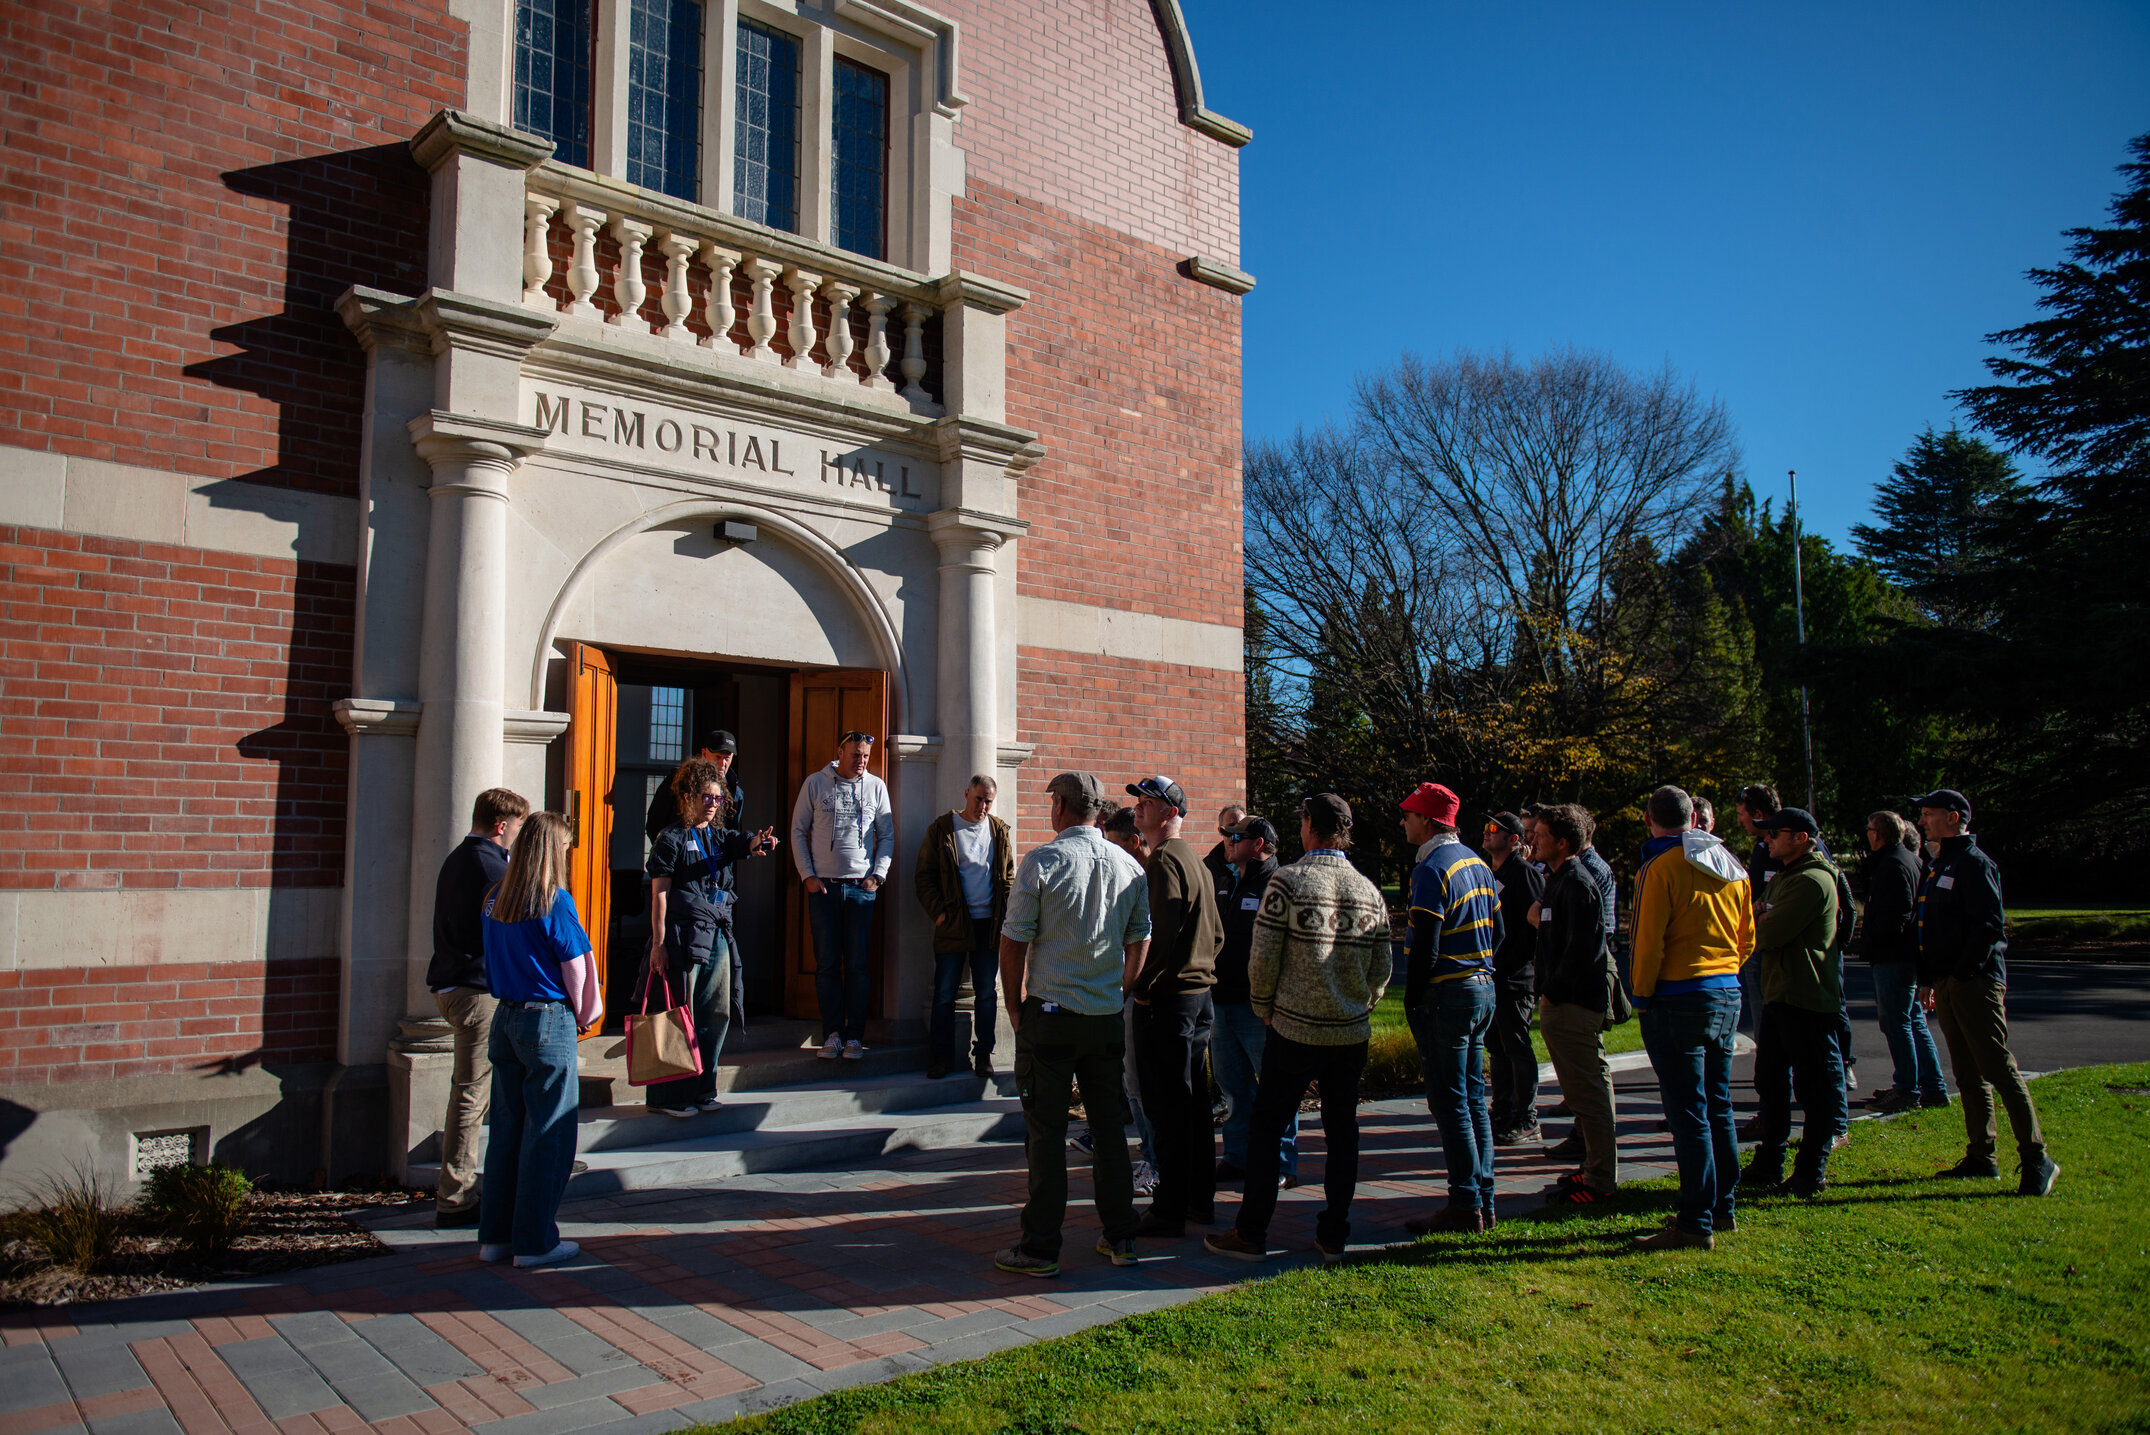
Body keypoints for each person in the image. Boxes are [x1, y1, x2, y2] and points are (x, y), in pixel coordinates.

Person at [1205, 794, 1392, 1264]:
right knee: (1342, 1133)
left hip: (1293, 1029)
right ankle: (1334, 1234)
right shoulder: (1368, 890)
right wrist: (1360, 1004)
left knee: (1268, 1129)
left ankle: (1252, 1232)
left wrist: (1264, 1007)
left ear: (1310, 826)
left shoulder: (1288, 881)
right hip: (1349, 1033)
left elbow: (1263, 958)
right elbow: (1382, 967)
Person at [991, 772, 1152, 1278]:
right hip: (1103, 1017)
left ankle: (1040, 1247)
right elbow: (1140, 938)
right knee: (1109, 1130)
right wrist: (1121, 990)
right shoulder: (1129, 864)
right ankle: (1121, 1235)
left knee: (1046, 1133)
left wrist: (1014, 1007)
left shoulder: (1043, 861)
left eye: (1052, 803)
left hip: (1052, 1015)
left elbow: (1014, 940)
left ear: (1061, 806)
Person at [1913, 790, 2057, 1196]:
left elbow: (1990, 926)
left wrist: (1962, 973)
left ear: (1954, 818)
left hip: (1974, 982)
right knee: (1967, 1073)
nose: (1922, 821)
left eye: (1929, 813)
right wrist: (1930, 979)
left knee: (1997, 1068)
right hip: (1948, 981)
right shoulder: (1940, 863)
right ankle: (1982, 1156)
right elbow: (1930, 925)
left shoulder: (1975, 863)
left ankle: (2037, 1158)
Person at [477, 811, 604, 1269]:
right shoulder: (554, 899)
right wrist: (588, 1014)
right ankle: (534, 1241)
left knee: (506, 1131)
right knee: (549, 1132)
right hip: (546, 1019)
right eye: (565, 848)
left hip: (505, 1017)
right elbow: (575, 964)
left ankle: (496, 1237)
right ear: (553, 850)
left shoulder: (495, 897)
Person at [1629, 785, 1752, 1251]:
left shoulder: (1660, 867)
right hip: (1726, 991)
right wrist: (1726, 973)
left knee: (1688, 1112)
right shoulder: (1731, 865)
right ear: (1695, 819)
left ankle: (1695, 1220)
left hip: (1677, 997)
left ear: (1648, 819)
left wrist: (1642, 995)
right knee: (1718, 1105)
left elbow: (1647, 941)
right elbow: (1747, 937)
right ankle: (1721, 1206)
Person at [1397, 783, 1504, 1236]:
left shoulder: (1431, 868)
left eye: (1408, 815)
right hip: (1482, 988)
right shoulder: (1477, 863)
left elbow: (1425, 944)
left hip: (1448, 993)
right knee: (1473, 1099)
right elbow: (1499, 931)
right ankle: (1482, 1199)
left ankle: (1464, 1204)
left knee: (1451, 1102)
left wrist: (1413, 996)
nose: (1403, 822)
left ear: (1427, 820)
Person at [644, 759, 780, 1117]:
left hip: (717, 934)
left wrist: (759, 841)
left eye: (718, 799)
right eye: (706, 797)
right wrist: (658, 944)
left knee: (715, 1013)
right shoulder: (670, 838)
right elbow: (660, 894)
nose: (713, 804)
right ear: (688, 796)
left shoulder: (719, 836)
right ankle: (669, 1097)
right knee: (678, 1014)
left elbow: (743, 842)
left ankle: (703, 1089)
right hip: (681, 936)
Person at [1124, 775, 1224, 1238]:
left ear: (1170, 813)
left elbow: (1155, 937)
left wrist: (1141, 987)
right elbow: (1216, 936)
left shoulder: (1164, 860)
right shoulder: (1196, 861)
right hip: (1198, 997)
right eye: (1139, 801)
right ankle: (1199, 1200)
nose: (1139, 807)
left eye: (1149, 802)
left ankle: (1168, 1211)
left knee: (1167, 1108)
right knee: (1194, 1105)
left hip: (1168, 1001)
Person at [426, 787, 529, 1229]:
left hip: (453, 985)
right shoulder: (491, 865)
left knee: (476, 1091)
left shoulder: (458, 858)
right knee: (471, 1094)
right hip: (475, 991)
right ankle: (455, 1197)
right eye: (519, 827)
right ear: (502, 825)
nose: (519, 836)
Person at [1740, 807, 1846, 1197]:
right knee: (1770, 1083)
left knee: (1812, 1089)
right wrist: (1762, 915)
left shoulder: (1813, 880)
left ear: (1801, 838)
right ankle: (1770, 1162)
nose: (1767, 839)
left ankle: (1811, 1172)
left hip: (1805, 998)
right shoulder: (1786, 876)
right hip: (1779, 994)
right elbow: (1754, 917)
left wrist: (1763, 917)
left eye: (1775, 833)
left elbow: (1766, 933)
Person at [1533, 803, 1622, 1204]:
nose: (1534, 840)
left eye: (1542, 835)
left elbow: (1583, 952)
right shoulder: (1559, 880)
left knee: (1589, 1094)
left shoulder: (1577, 884)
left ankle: (1599, 1182)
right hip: (1562, 1002)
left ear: (1563, 842)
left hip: (1574, 1005)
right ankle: (1592, 1169)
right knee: (1584, 1093)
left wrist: (1552, 990)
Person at [790, 730, 895, 1059]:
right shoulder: (815, 783)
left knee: (858, 965)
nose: (861, 761)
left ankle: (855, 1038)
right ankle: (832, 1034)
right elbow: (798, 830)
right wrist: (808, 876)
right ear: (840, 752)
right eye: (855, 755)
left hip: (861, 889)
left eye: (865, 756)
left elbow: (887, 835)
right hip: (824, 887)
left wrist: (878, 875)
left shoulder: (876, 787)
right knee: (827, 964)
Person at [1211, 815, 1294, 1188]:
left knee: (1276, 1087)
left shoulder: (1279, 885)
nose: (1227, 841)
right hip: (1221, 1002)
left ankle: (1280, 1163)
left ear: (1258, 843)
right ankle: (1238, 1157)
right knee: (1233, 1087)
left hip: (1259, 1009)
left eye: (1235, 836)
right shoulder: (1227, 879)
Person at [914, 775, 1015, 1079]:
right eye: (979, 799)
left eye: (988, 801)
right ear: (966, 793)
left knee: (986, 992)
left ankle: (983, 1054)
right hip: (954, 923)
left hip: (989, 924)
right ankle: (940, 1057)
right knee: (945, 992)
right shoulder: (943, 829)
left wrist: (1006, 914)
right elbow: (924, 876)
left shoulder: (998, 830)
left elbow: (1008, 875)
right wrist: (939, 914)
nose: (983, 806)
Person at [1860, 810, 1949, 1115]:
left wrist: (1877, 939)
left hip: (1893, 956)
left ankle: (1907, 1089)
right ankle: (1932, 1086)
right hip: (1904, 954)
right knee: (1912, 1020)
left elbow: (1896, 914)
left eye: (1869, 829)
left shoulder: (1891, 865)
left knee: (1896, 1023)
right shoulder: (1911, 860)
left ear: (1877, 834)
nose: (1867, 834)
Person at [1092, 802, 1159, 1193]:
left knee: (1140, 1085)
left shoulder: (1148, 878)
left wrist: (1128, 988)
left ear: (1134, 842)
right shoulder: (1130, 874)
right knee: (1132, 1084)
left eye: (1114, 844)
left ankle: (1154, 1162)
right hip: (1126, 992)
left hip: (1141, 996)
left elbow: (1146, 940)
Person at [1483, 811, 1544, 1145]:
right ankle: (1503, 1110)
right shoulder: (1491, 873)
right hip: (1493, 977)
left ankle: (1527, 1117)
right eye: (1487, 827)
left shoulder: (1525, 875)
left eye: (1495, 828)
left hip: (1516, 978)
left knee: (1517, 1046)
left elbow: (1535, 930)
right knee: (1497, 1046)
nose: (1487, 832)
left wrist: (1515, 966)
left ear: (1514, 839)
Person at [1204, 803, 1247, 894]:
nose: (1235, 834)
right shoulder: (1207, 868)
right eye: (1231, 827)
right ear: (1220, 831)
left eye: (1240, 828)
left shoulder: (1256, 866)